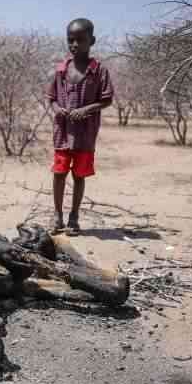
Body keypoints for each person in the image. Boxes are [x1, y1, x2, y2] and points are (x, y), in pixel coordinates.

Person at [45, 18, 114, 235]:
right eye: (70, 40)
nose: (74, 44)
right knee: (59, 173)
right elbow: (51, 98)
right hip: (62, 132)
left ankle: (74, 217)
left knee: (79, 175)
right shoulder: (61, 70)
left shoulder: (99, 70)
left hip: (85, 133)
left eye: (80, 40)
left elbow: (107, 100)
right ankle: (57, 216)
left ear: (91, 41)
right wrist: (57, 109)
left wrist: (86, 110)